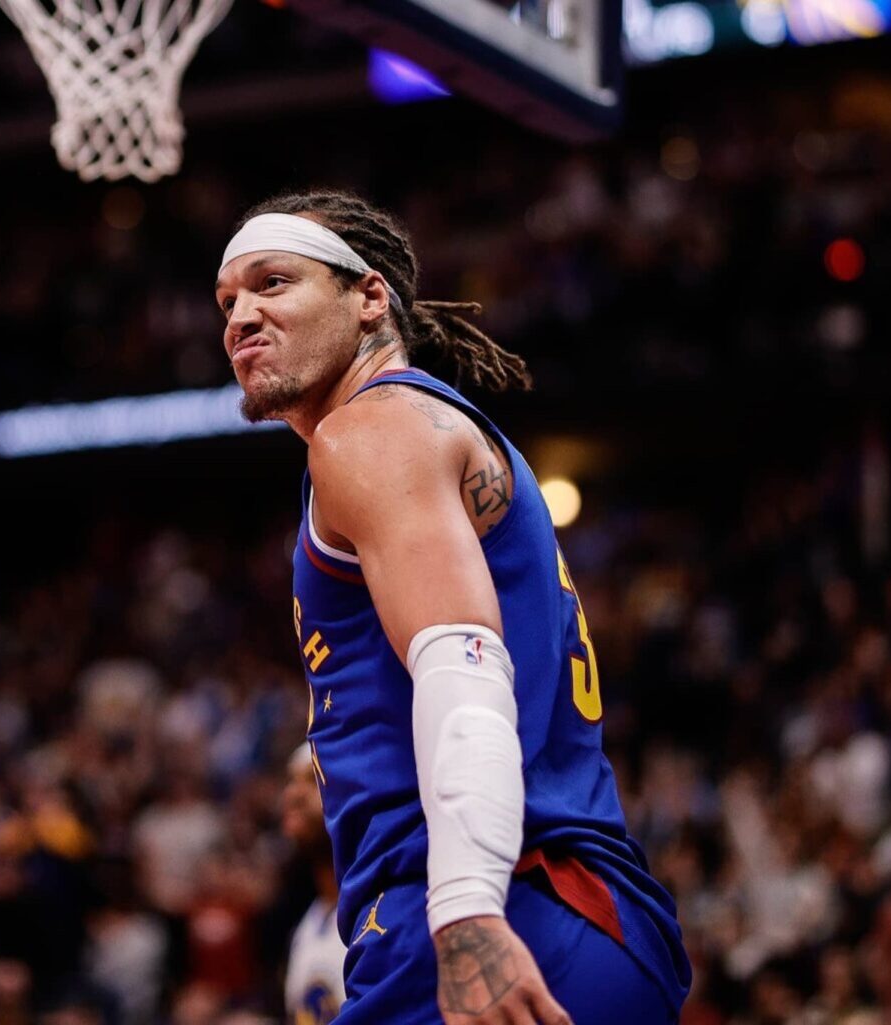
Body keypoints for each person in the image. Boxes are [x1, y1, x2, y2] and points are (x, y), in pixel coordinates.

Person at [213, 190, 691, 1025]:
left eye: (273, 282)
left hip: (499, 903)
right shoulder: (422, 428)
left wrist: (468, 910)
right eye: (228, 300)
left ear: (369, 298)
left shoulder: (373, 430)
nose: (241, 316)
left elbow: (463, 669)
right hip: (561, 909)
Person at [280, 743, 347, 1024]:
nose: (292, 794)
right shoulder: (307, 926)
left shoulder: (383, 911)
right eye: (291, 781)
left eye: (311, 779)